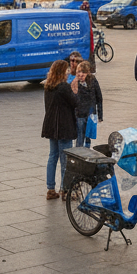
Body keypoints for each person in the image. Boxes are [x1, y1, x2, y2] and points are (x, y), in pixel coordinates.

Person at [41, 59, 78, 199]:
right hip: (64, 126)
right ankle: (65, 190)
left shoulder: (48, 86)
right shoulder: (64, 87)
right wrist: (75, 92)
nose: (68, 72)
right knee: (65, 159)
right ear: (61, 72)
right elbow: (74, 103)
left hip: (51, 126)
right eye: (66, 70)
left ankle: (50, 189)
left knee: (52, 156)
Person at [72, 60, 103, 147]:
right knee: (80, 137)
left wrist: (100, 115)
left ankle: (87, 153)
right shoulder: (75, 82)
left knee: (88, 136)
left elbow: (99, 97)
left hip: (90, 114)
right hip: (80, 114)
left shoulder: (92, 80)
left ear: (88, 73)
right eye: (79, 72)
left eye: (83, 72)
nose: (81, 74)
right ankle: (79, 155)